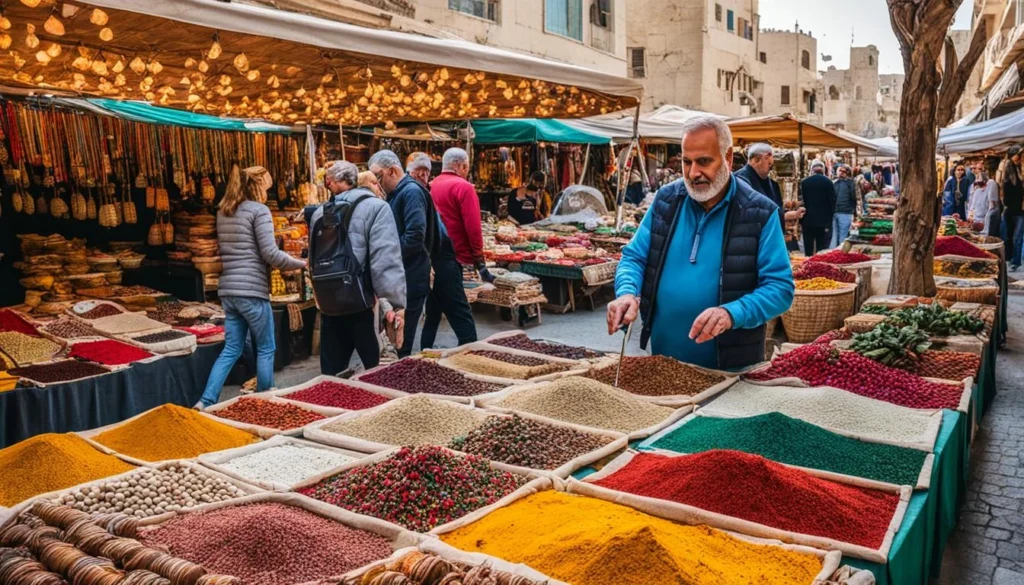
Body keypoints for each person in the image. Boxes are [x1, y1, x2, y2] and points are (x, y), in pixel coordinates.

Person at [607, 115, 794, 370]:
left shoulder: (759, 212)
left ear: (728, 158)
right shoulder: (666, 200)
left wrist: (731, 314)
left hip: (731, 368)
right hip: (663, 361)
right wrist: (627, 292)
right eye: (686, 162)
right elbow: (635, 257)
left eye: (704, 161)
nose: (694, 173)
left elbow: (780, 288)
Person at [198, 165, 306, 409]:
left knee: (231, 349)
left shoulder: (224, 211)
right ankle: (266, 399)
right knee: (266, 347)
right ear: (259, 187)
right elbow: (270, 253)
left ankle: (205, 401)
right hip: (252, 290)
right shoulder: (259, 211)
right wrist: (301, 263)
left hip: (229, 290)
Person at [369, 149, 476, 355]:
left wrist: (386, 254)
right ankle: (428, 356)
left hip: (421, 270)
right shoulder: (399, 193)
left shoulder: (410, 192)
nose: (378, 183)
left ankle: (472, 356)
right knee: (428, 318)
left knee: (406, 337)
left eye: (379, 176)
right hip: (419, 268)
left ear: (392, 171)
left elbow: (415, 236)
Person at [306, 161, 407, 375]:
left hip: (329, 304)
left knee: (331, 378)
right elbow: (386, 261)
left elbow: (312, 263)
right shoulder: (377, 208)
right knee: (376, 374)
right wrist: (396, 305)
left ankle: (331, 407)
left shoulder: (318, 214)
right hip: (361, 304)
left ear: (330, 182)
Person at [421, 147, 481, 349]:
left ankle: (424, 351)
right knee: (461, 313)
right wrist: (478, 259)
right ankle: (471, 353)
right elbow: (473, 227)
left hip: (431, 256)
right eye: (466, 167)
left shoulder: (432, 185)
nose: (466, 171)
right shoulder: (464, 187)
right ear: (460, 166)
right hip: (451, 256)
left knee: (433, 311)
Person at [734, 143, 805, 237]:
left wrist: (784, 215)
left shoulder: (771, 183)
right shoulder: (739, 180)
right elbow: (747, 213)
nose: (770, 168)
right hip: (748, 238)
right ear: (756, 160)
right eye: (769, 164)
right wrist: (784, 216)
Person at [799, 160, 837, 256]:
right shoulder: (828, 182)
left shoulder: (804, 182)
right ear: (823, 170)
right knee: (822, 251)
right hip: (824, 222)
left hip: (808, 221)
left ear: (812, 170)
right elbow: (833, 202)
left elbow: (801, 202)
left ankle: (807, 267)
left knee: (808, 250)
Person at [1003, 146, 1024, 270]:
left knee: (1017, 236)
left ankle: (1016, 262)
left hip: (1020, 209)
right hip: (1010, 207)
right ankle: (1010, 258)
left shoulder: (1020, 170)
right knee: (1009, 235)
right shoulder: (1008, 168)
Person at [969, 160, 999, 236]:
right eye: (972, 169)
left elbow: (992, 207)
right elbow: (971, 203)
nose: (974, 171)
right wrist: (970, 217)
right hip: (974, 222)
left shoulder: (991, 183)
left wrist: (986, 227)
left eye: (977, 169)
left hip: (983, 222)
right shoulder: (973, 185)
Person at [832, 165, 860, 247]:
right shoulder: (850, 183)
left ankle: (836, 253)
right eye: (840, 171)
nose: (841, 173)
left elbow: (854, 198)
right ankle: (838, 253)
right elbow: (854, 198)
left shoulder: (836, 183)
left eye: (843, 171)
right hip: (842, 212)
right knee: (841, 236)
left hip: (842, 212)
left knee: (837, 236)